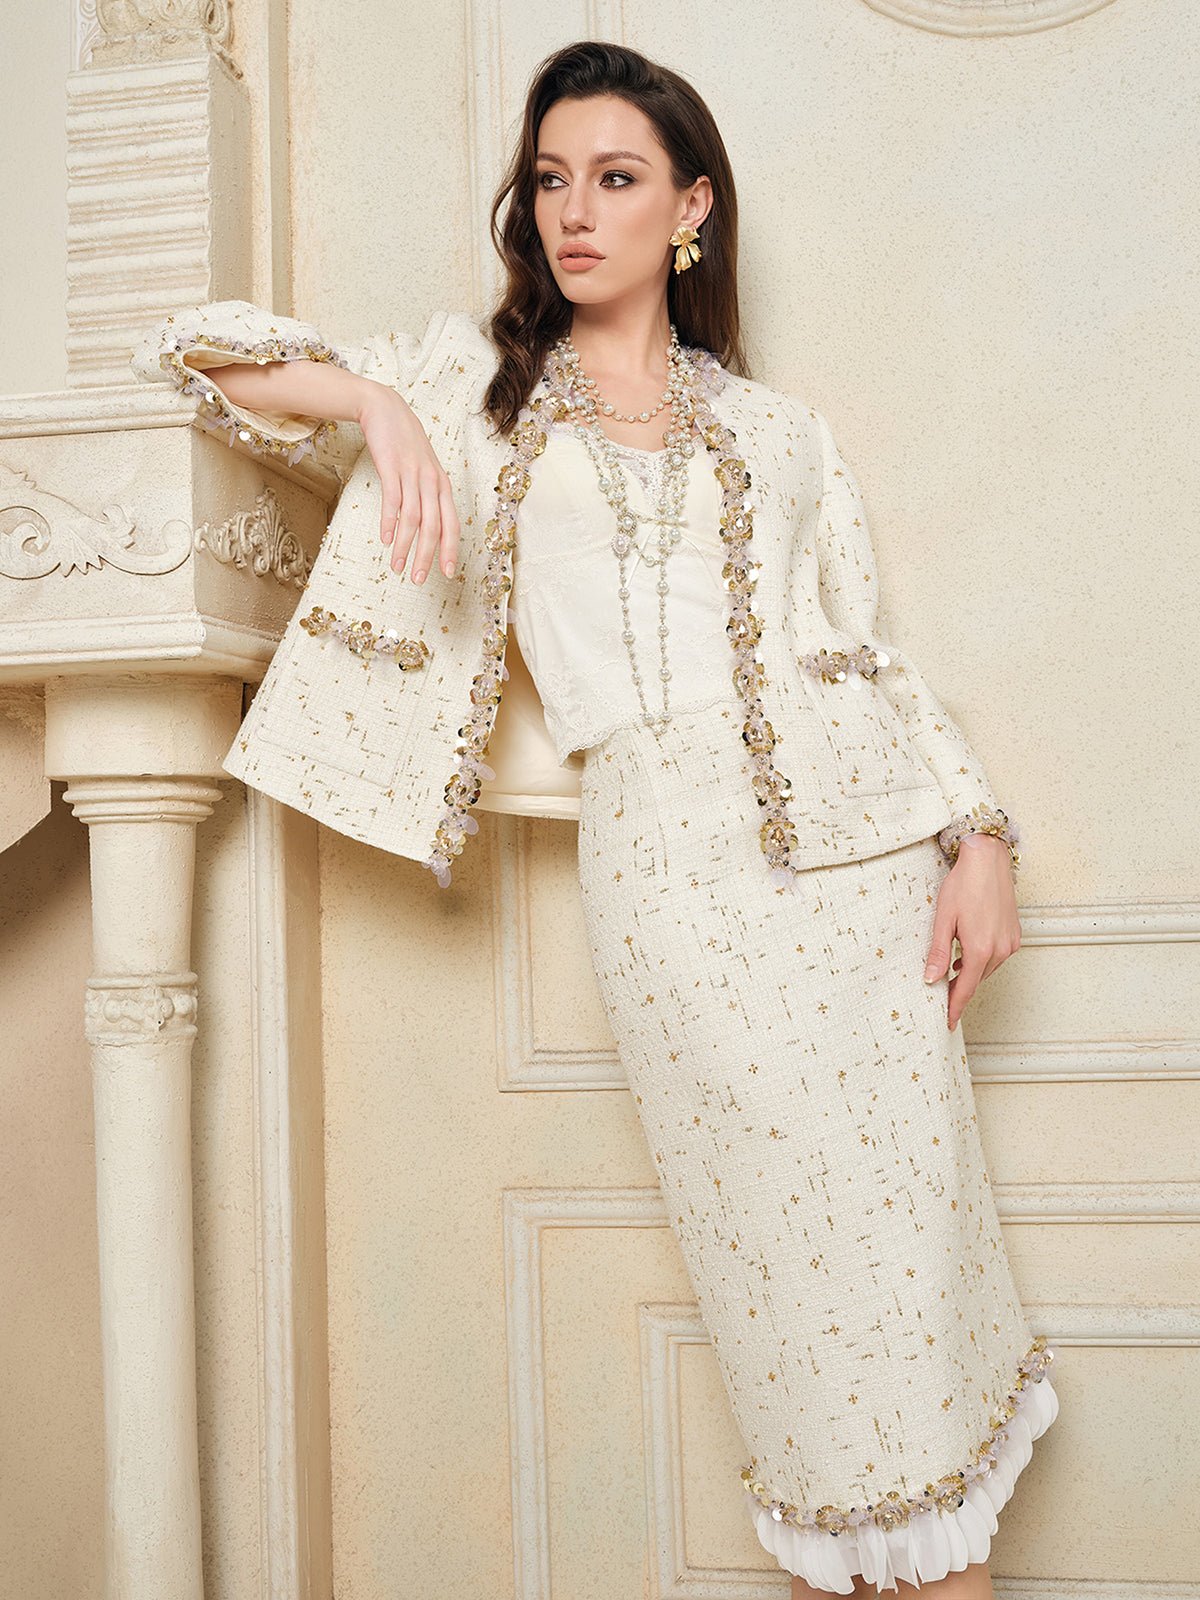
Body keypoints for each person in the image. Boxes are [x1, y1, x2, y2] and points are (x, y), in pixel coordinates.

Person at [132, 38, 1058, 1598]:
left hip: (864, 896)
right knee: (800, 1327)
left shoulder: (776, 433)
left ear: (689, 209)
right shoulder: (470, 390)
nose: (575, 210)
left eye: (617, 179)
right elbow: (195, 356)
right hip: (674, 883)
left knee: (906, 1300)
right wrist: (377, 402)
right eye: (551, 179)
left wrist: (979, 838)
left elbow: (859, 657)